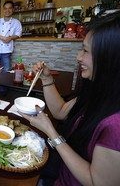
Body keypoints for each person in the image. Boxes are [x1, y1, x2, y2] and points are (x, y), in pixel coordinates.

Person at [21, 12, 120, 185]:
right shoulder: (98, 91)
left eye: (86, 51)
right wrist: (46, 78)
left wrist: (52, 132)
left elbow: (97, 182)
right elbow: (60, 112)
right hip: (60, 172)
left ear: (111, 57)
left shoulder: (115, 124)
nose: (78, 57)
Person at [0, 1, 22, 96]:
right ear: (3, 10)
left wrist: (10, 38)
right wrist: (3, 38)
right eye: (5, 8)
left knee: (5, 70)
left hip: (7, 51)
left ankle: (3, 89)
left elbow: (18, 33)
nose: (7, 10)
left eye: (10, 8)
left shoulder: (16, 22)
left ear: (13, 9)